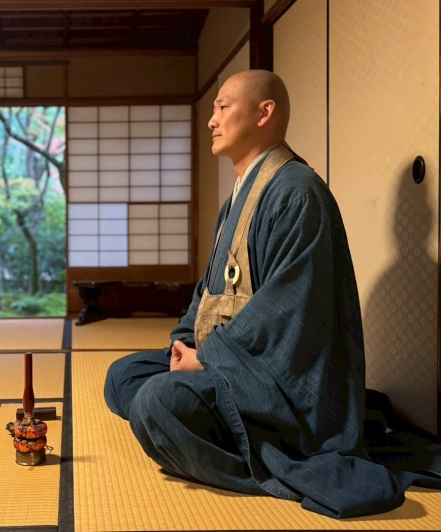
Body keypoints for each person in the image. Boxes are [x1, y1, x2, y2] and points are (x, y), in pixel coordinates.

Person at [104, 70, 441, 519]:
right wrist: (183, 344)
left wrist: (207, 359)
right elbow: (207, 293)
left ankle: (264, 459)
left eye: (223, 107)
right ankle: (207, 431)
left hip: (280, 385)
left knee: (156, 403)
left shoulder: (298, 193)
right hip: (232, 362)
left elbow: (287, 312)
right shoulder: (239, 196)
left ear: (264, 113)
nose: (212, 120)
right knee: (122, 376)